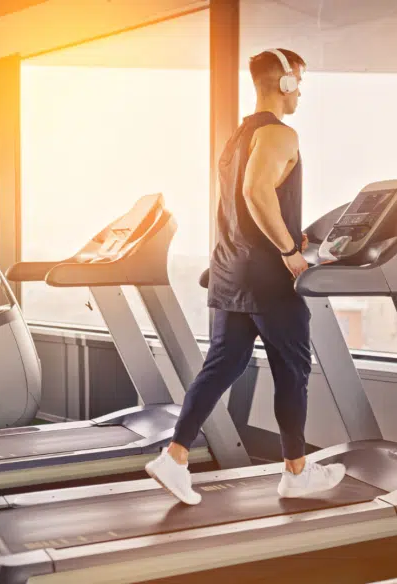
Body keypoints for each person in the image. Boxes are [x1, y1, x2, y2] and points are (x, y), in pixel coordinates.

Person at [145, 48, 346, 505]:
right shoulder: (280, 134)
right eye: (301, 81)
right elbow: (257, 192)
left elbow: (246, 200)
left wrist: (292, 236)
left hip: (230, 270)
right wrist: (291, 250)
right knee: (293, 368)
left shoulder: (238, 136)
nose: (302, 92)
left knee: (223, 364)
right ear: (287, 82)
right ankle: (295, 471)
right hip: (267, 276)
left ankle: (175, 457)